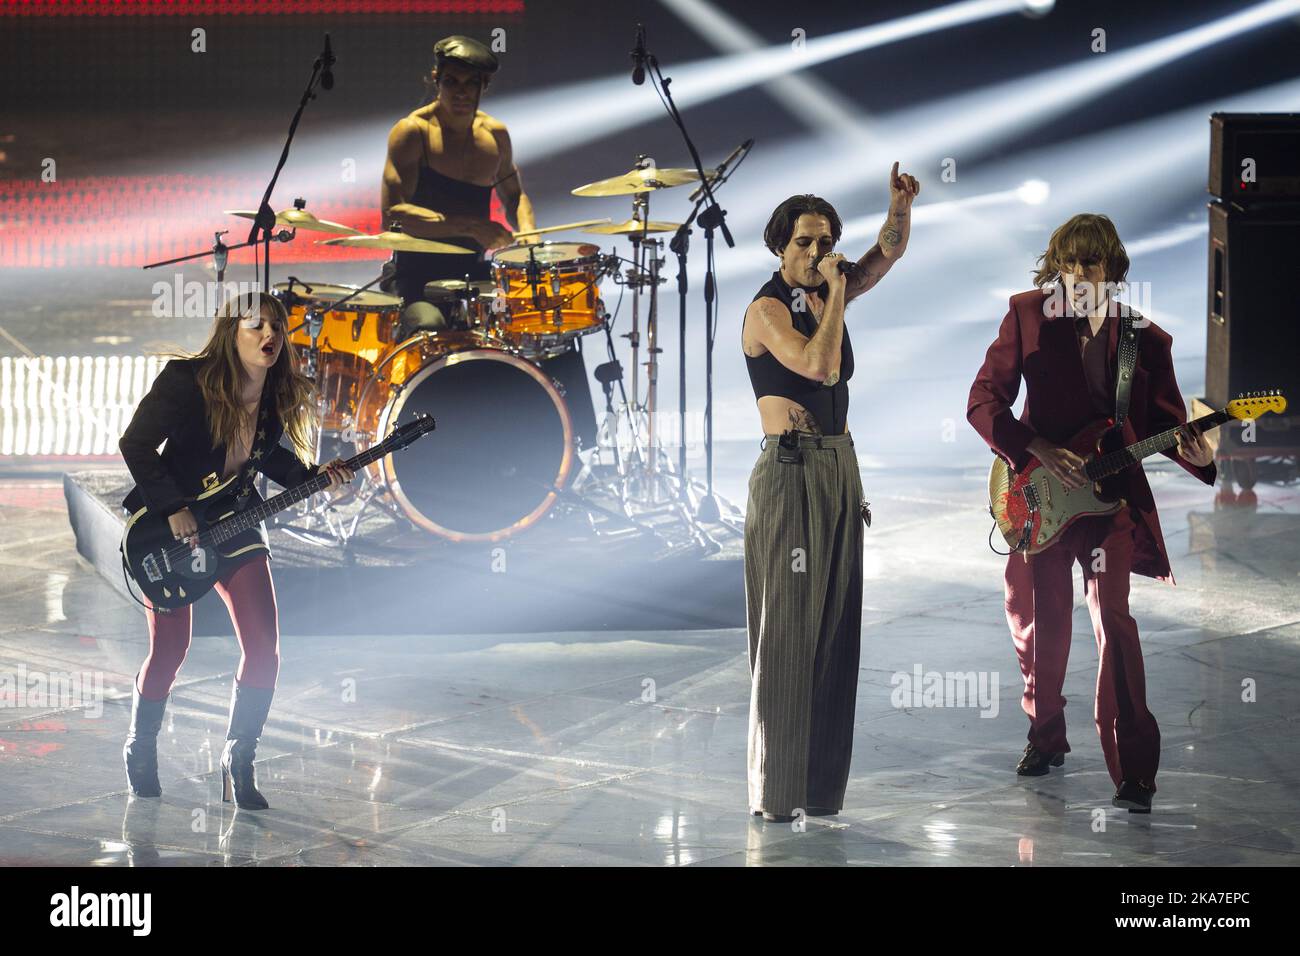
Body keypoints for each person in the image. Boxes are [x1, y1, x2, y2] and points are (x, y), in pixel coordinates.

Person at [967, 213, 1216, 814]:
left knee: (1116, 628)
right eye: (1069, 263)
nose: (1078, 275)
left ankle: (1135, 771)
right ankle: (1045, 734)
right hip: (1041, 494)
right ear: (1056, 266)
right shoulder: (1027, 314)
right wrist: (1033, 448)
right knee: (1042, 624)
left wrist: (1196, 449)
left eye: (1092, 264)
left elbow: (1166, 423)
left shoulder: (1144, 339)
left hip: (1110, 501)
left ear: (1114, 270)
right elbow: (983, 401)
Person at [118, 291, 353, 810]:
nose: (269, 335)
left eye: (276, 327)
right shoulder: (187, 382)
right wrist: (173, 507)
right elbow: (135, 444)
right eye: (256, 326)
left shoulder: (274, 391)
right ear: (232, 332)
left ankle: (238, 759)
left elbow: (269, 459)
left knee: (264, 646)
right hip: (173, 530)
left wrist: (318, 478)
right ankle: (141, 744)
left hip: (240, 523)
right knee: (170, 650)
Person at [739, 165, 919, 822]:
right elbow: (820, 365)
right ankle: (776, 796)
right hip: (790, 474)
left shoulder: (831, 289)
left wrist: (898, 208)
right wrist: (836, 295)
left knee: (836, 634)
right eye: (803, 244)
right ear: (781, 248)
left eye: (824, 243)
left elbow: (888, 252)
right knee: (787, 637)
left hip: (840, 468)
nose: (816, 255)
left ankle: (818, 792)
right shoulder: (765, 309)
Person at [380, 33, 596, 450]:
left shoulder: (495, 135)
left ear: (484, 87)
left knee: (547, 325)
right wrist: (470, 225)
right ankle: (420, 445)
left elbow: (516, 197)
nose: (461, 93)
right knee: (430, 328)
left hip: (474, 274)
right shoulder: (412, 133)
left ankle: (570, 444)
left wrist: (529, 236)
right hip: (415, 277)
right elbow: (395, 214)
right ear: (436, 80)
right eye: (452, 82)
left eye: (471, 84)